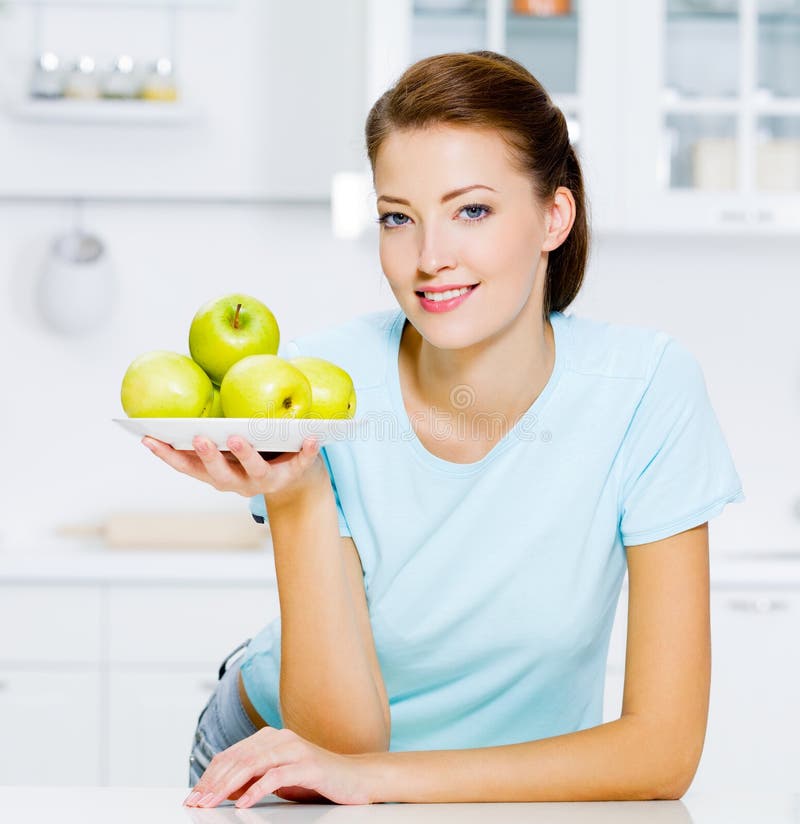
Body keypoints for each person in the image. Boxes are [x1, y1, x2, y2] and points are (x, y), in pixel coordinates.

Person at [142, 51, 744, 807]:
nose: (428, 259)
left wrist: (376, 780)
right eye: (398, 217)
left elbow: (663, 751)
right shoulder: (314, 384)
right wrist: (298, 497)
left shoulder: (646, 390)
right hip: (285, 766)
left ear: (555, 216)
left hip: (509, 786)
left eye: (473, 211)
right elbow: (339, 746)